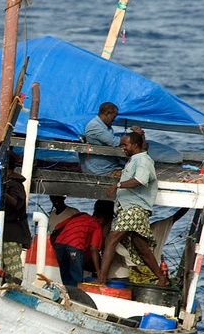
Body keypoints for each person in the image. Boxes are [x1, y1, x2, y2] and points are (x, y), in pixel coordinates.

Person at [97, 132, 171, 286]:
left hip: (134, 209)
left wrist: (117, 185)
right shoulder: (133, 160)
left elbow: (140, 180)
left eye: (125, 145)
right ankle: (161, 278)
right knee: (141, 247)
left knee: (111, 239)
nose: (122, 148)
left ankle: (101, 279)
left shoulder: (143, 160)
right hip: (128, 208)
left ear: (135, 145)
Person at [80, 102, 146, 176]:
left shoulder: (106, 127)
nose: (114, 119)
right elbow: (114, 141)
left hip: (111, 166)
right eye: (114, 116)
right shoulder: (95, 126)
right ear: (107, 114)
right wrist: (136, 134)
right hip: (101, 170)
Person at [49, 205, 105, 286]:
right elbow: (94, 249)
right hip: (75, 246)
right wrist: (98, 271)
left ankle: (68, 295)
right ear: (102, 220)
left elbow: (58, 226)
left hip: (59, 245)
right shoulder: (97, 226)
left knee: (66, 278)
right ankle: (76, 297)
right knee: (76, 280)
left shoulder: (79, 215)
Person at [1, 165, 32, 283]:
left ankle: (16, 289)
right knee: (5, 267)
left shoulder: (14, 184)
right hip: (7, 233)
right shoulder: (11, 184)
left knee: (13, 269)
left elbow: (16, 203)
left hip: (12, 234)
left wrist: (3, 193)